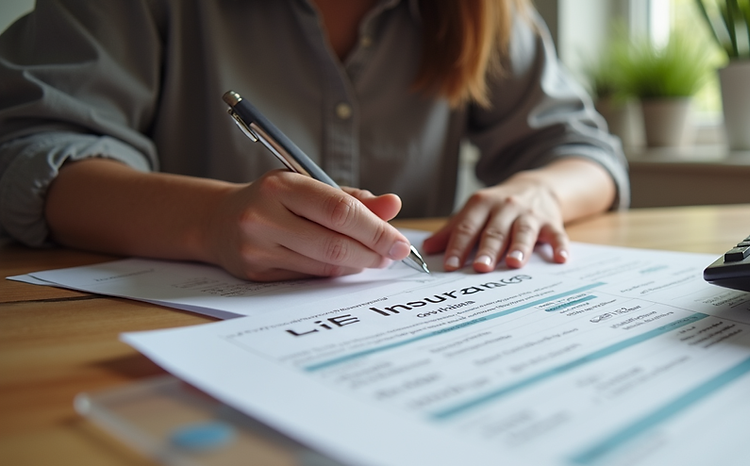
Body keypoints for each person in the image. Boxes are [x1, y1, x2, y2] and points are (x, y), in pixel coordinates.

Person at [0, 0, 629, 281]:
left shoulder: (486, 11)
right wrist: (209, 221)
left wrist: (538, 191)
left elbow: (588, 154)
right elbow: (28, 153)